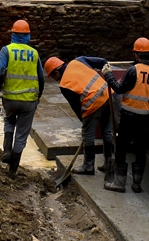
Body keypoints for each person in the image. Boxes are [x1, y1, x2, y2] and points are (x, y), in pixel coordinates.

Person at [45, 55, 124, 191]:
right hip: (107, 93)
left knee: (88, 135)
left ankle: (88, 166)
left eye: (53, 77)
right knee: (107, 131)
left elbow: (77, 108)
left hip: (92, 103)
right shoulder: (78, 60)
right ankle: (107, 163)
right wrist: (108, 76)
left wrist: (86, 123)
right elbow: (102, 62)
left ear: (56, 72)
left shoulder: (64, 84)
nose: (54, 79)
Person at [106, 37, 149, 192]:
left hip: (128, 116)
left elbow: (118, 88)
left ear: (136, 55)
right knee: (140, 150)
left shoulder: (134, 70)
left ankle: (119, 183)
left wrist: (108, 75)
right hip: (144, 118)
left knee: (122, 148)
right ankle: (137, 184)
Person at [0, 19, 45, 175]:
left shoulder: (6, 50)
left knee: (9, 120)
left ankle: (7, 151)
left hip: (10, 98)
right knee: (22, 133)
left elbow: (1, 70)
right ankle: (13, 170)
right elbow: (41, 78)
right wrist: (39, 95)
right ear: (28, 36)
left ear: (13, 34)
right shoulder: (34, 53)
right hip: (29, 101)